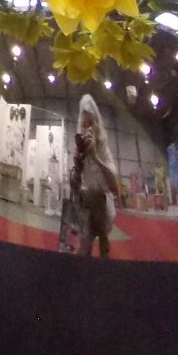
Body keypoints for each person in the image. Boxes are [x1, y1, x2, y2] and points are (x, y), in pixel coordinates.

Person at [70, 93, 119, 258]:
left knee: (95, 194)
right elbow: (75, 190)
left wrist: (96, 158)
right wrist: (77, 168)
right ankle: (90, 244)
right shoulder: (80, 150)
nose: (86, 129)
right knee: (84, 247)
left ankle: (100, 239)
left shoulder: (104, 150)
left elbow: (115, 188)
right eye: (83, 125)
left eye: (90, 124)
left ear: (97, 125)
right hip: (86, 208)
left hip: (103, 210)